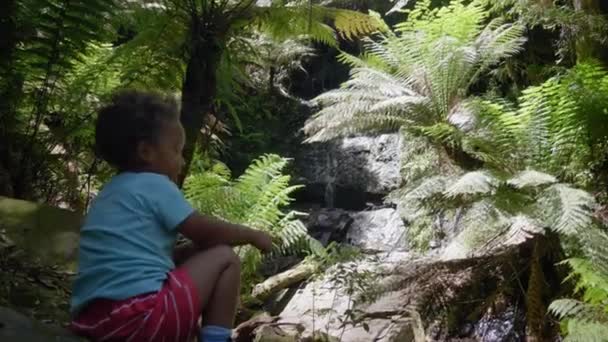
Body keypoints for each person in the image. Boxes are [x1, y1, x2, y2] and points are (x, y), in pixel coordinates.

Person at [69, 91, 273, 342]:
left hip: (98, 323)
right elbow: (205, 232)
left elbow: (137, 261)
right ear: (146, 151)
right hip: (142, 320)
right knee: (225, 257)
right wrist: (251, 234)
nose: (182, 158)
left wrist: (185, 253)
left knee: (192, 253)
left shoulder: (111, 192)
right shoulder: (155, 184)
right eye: (177, 150)